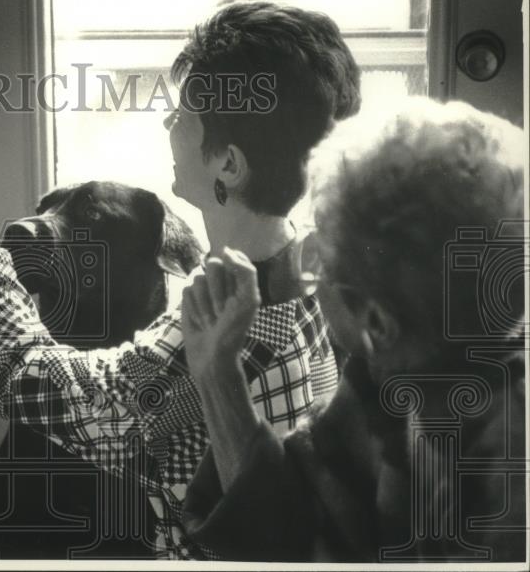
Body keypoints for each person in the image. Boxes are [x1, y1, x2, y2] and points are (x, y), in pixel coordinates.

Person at [0, 1, 362, 559]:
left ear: (229, 165)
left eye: (183, 115)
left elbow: (23, 382)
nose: (168, 123)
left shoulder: (224, 339)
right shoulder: (311, 279)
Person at [179, 98, 526, 562]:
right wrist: (217, 373)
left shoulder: (498, 477)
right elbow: (292, 519)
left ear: (377, 323)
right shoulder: (401, 378)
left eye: (319, 258)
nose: (309, 276)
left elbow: (286, 547)